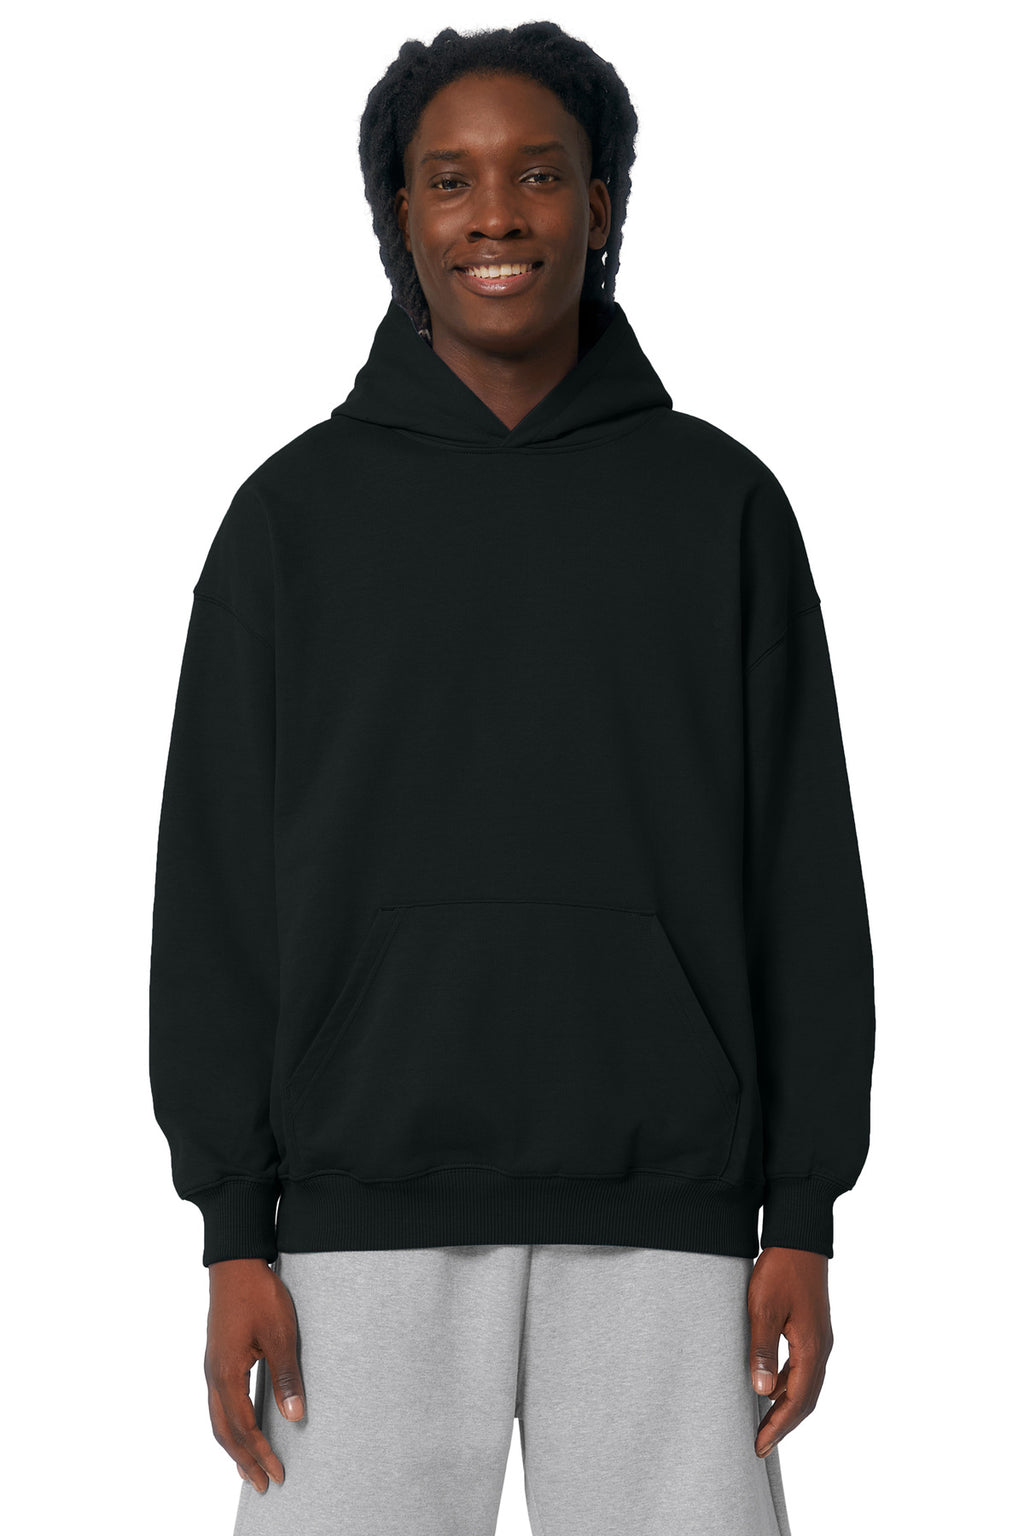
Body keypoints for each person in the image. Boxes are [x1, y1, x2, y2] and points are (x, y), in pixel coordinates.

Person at [149, 21, 876, 1536]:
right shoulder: (292, 522)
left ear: (600, 205)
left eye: (540, 175)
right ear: (399, 215)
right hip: (355, 1216)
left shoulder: (722, 508)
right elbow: (216, 897)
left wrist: (802, 1213)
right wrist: (232, 1232)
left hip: (671, 1214)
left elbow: (800, 878)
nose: (496, 215)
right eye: (450, 180)